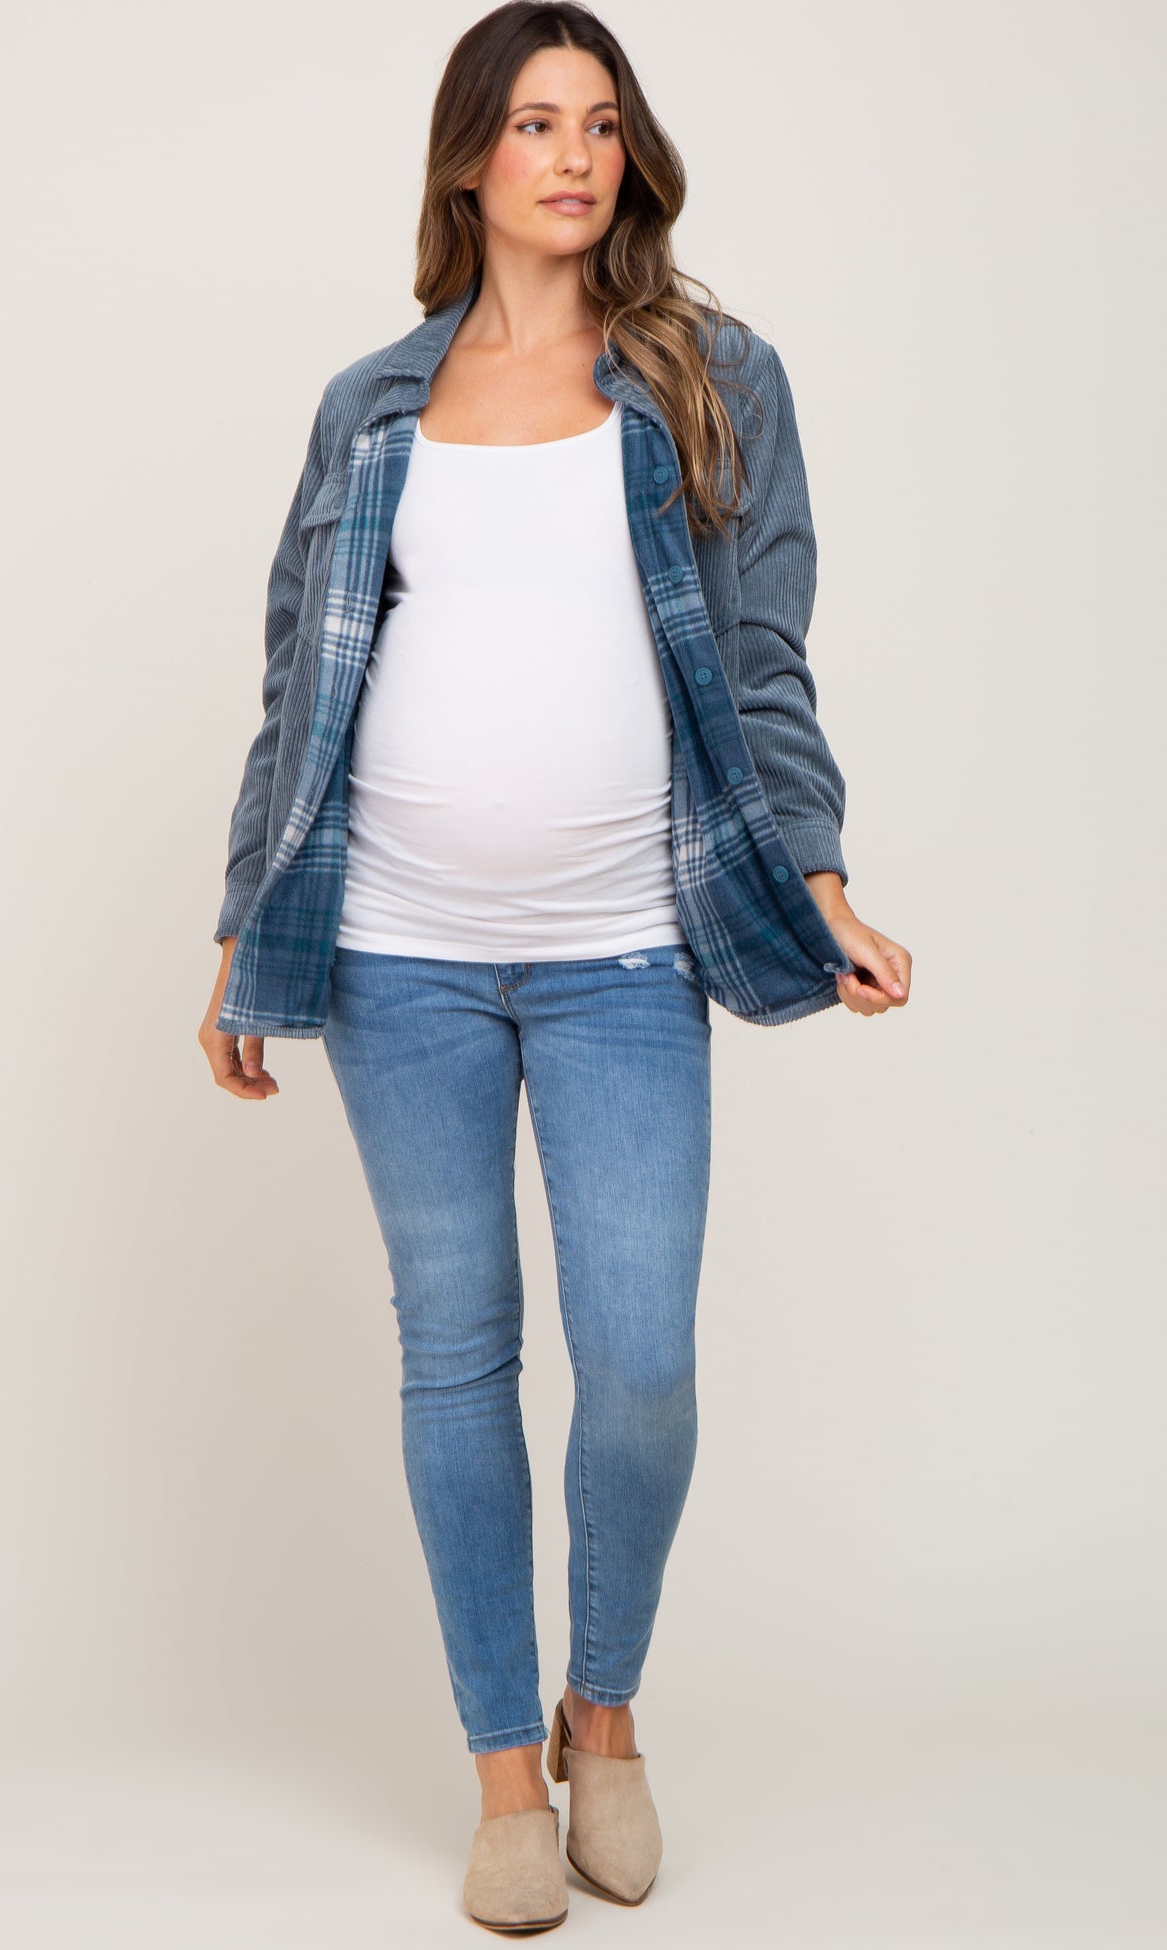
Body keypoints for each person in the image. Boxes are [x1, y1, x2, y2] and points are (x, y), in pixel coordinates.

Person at [200, 1, 911, 1931]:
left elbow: (764, 658)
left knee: (642, 1361)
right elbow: (297, 683)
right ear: (468, 160)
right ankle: (505, 1769)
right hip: (395, 955)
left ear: (632, 154)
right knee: (456, 1349)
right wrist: (245, 929)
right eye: (533, 123)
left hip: (623, 951)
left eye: (600, 123)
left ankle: (609, 1707)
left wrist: (824, 878)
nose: (574, 155)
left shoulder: (713, 377)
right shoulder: (370, 406)